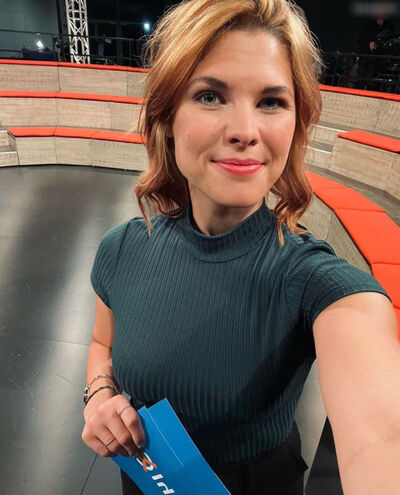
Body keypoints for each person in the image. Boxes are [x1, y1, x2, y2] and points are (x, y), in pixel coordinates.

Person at [81, 1, 400, 494]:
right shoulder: (120, 250)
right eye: (210, 96)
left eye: (271, 102)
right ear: (167, 117)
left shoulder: (317, 281)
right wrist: (100, 395)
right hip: (146, 479)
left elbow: (381, 440)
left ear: (295, 125)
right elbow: (102, 345)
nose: (245, 132)